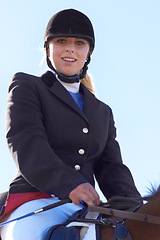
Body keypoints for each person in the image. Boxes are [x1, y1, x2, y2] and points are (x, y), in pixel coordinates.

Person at [0, 8, 142, 240]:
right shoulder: (27, 86)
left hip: (84, 207)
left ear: (88, 53)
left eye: (79, 43)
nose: (70, 49)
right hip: (34, 202)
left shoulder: (102, 111)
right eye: (61, 41)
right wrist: (69, 184)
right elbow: (26, 142)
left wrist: (135, 208)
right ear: (48, 48)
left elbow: (112, 168)